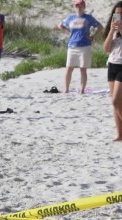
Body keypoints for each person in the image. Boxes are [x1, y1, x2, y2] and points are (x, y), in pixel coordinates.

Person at [58, 0, 103, 94]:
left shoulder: (88, 18)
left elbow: (100, 27)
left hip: (85, 46)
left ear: (84, 7)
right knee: (69, 68)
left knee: (83, 69)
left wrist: (94, 36)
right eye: (77, 6)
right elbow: (60, 25)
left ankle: (82, 90)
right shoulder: (71, 17)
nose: (78, 8)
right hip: (72, 46)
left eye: (80, 6)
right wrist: (68, 33)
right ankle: (66, 89)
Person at [103, 1, 122, 140]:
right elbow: (106, 49)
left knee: (116, 100)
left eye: (121, 14)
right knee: (115, 104)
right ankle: (120, 134)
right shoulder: (113, 29)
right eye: (116, 13)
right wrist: (111, 31)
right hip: (112, 65)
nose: (118, 16)